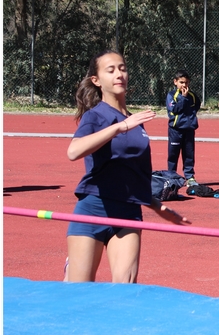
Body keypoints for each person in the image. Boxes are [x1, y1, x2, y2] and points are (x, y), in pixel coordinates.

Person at [65, 50, 190, 283]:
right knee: (78, 293)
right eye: (110, 70)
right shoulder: (96, 116)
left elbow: (135, 174)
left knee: (125, 290)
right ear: (96, 80)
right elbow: (74, 151)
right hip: (94, 208)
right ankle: (71, 267)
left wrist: (156, 206)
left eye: (122, 68)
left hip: (129, 213)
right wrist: (120, 127)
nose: (119, 74)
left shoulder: (136, 122)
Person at [166, 69, 200, 186]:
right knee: (173, 154)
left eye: (186, 82)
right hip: (176, 130)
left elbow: (197, 105)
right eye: (181, 82)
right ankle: (171, 176)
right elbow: (175, 109)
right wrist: (183, 98)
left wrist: (190, 119)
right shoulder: (171, 95)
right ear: (175, 82)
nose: (184, 85)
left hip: (189, 129)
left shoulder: (192, 96)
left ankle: (189, 177)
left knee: (189, 154)